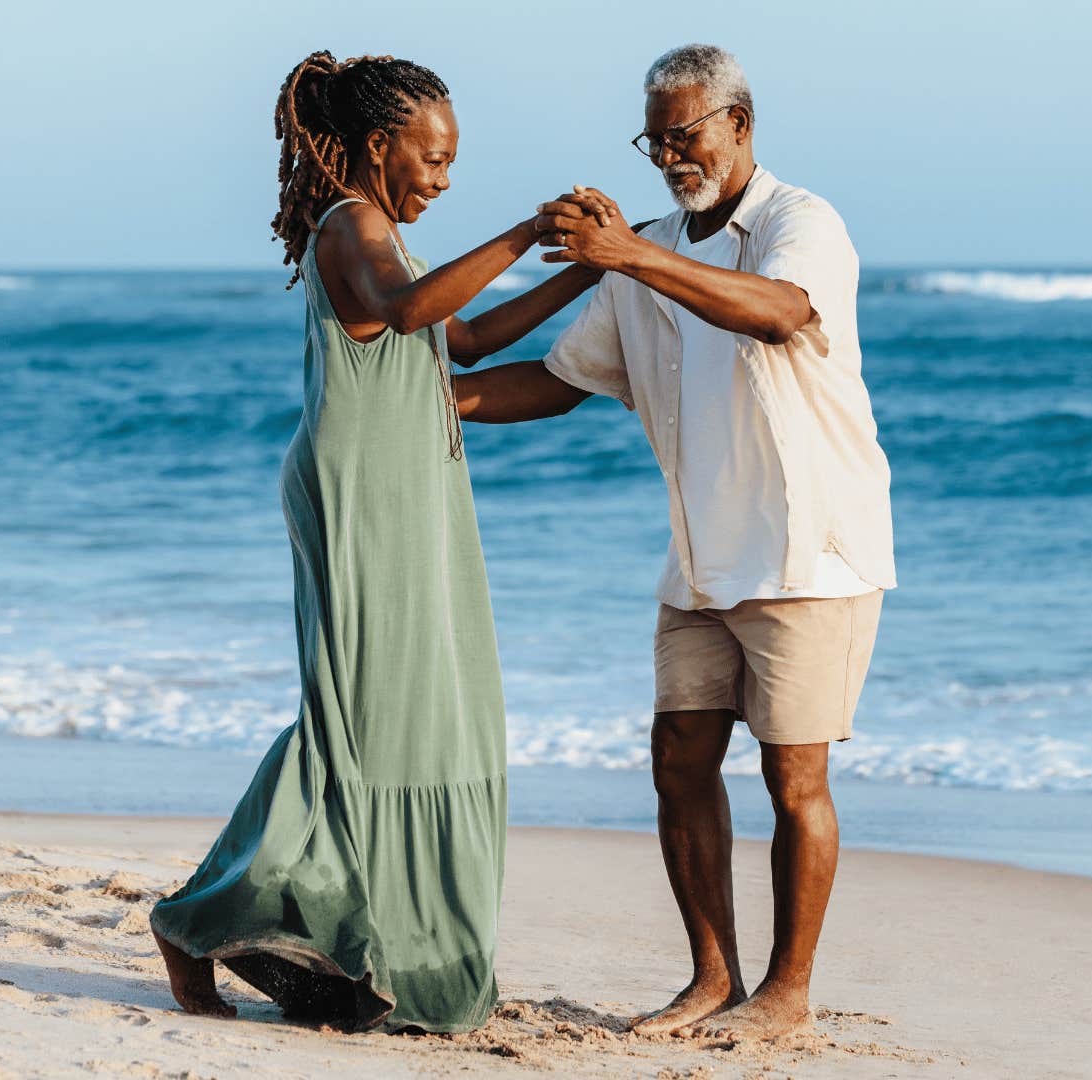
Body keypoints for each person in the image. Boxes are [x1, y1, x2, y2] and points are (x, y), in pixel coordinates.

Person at [149, 50, 608, 1034]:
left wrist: (592, 271)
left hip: (410, 492)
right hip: (360, 496)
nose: (442, 179)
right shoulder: (354, 226)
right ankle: (191, 925)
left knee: (418, 715)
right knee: (351, 724)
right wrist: (531, 230)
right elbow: (409, 310)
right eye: (432, 158)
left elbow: (465, 341)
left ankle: (391, 949)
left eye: (452, 162)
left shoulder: (388, 238)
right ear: (374, 147)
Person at [454, 43, 897, 1042]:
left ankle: (786, 995)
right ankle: (711, 979)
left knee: (795, 778)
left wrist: (633, 254)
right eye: (653, 139)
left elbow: (780, 313)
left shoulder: (799, 222)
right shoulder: (644, 250)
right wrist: (427, 406)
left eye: (684, 134)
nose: (668, 156)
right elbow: (561, 382)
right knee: (678, 758)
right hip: (701, 556)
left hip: (807, 551)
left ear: (740, 125)